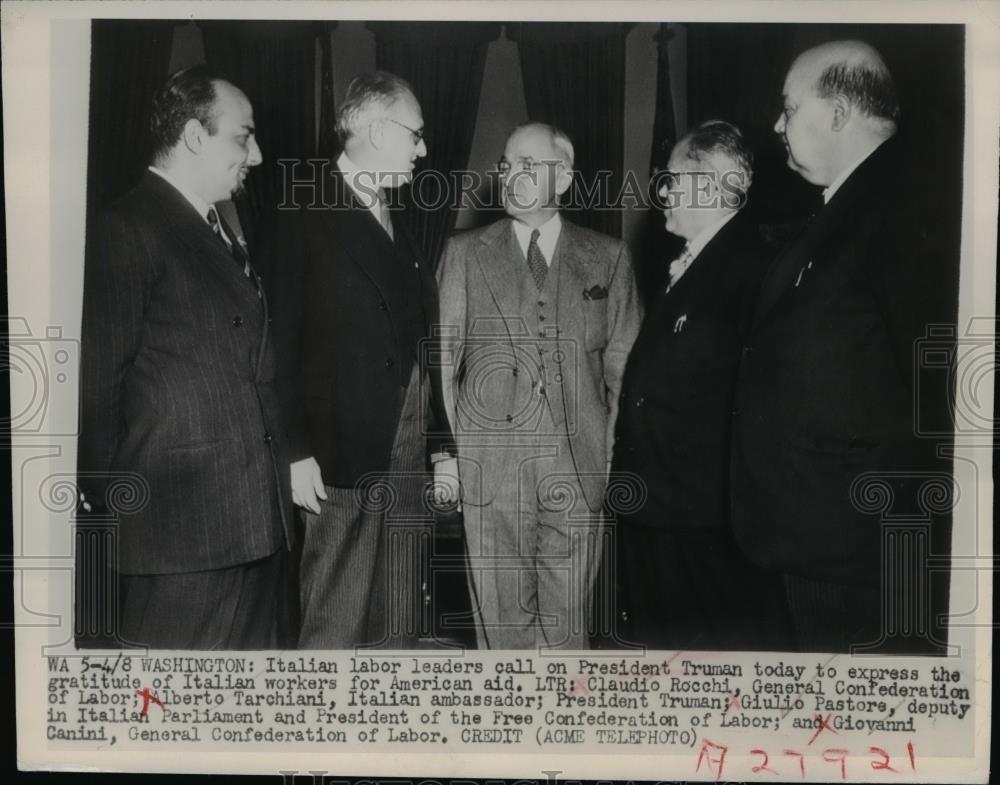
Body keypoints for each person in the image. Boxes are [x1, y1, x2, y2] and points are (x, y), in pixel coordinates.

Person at [731, 40, 944, 653]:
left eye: (787, 109)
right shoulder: (847, 205)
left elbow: (939, 391)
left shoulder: (908, 204)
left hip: (857, 548)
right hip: (814, 535)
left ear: (836, 114)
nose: (776, 125)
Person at [77, 66, 294, 649]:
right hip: (181, 532)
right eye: (243, 136)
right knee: (163, 713)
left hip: (252, 522)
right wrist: (120, 499)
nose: (257, 154)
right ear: (195, 136)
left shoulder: (213, 226)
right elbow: (94, 386)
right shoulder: (126, 228)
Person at [436, 122, 641, 649]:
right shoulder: (464, 254)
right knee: (502, 626)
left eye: (530, 164)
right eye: (508, 165)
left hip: (580, 465)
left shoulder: (610, 257)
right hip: (491, 466)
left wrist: (609, 455)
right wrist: (452, 457)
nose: (513, 177)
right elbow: (441, 360)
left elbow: (625, 369)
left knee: (568, 628)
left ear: (565, 176)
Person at [273, 71, 453, 649]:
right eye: (415, 135)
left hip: (404, 459)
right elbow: (277, 342)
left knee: (396, 624)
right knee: (337, 623)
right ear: (378, 130)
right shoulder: (303, 210)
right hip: (340, 461)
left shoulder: (396, 218)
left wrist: (441, 446)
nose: (423, 150)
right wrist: (295, 450)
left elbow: (423, 345)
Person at [611, 120, 792, 651]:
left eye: (671, 179)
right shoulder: (697, 263)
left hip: (704, 522)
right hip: (665, 510)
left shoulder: (751, 268)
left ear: (709, 186)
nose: (661, 192)